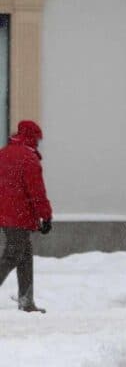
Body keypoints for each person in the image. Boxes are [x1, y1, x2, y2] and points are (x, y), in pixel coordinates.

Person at [0, 120, 52, 312]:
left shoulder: (4, 153)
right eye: (37, 139)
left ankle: (26, 300)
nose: (38, 143)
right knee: (13, 256)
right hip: (18, 215)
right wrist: (45, 216)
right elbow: (37, 192)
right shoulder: (28, 159)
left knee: (24, 256)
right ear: (31, 137)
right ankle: (26, 300)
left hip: (6, 213)